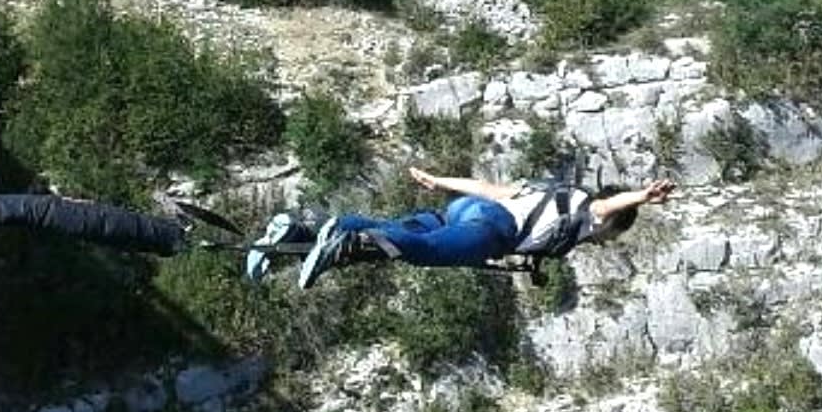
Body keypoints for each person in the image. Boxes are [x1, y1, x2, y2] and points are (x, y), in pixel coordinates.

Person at [248, 166, 675, 288]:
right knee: (422, 253)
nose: (602, 242)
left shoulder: (550, 189)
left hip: (464, 210)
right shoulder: (588, 211)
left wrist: (439, 183)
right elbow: (608, 206)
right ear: (613, 225)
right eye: (610, 236)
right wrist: (642, 197)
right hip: (492, 228)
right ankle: (345, 238)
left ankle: (297, 233)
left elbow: (485, 187)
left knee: (400, 231)